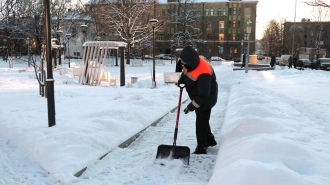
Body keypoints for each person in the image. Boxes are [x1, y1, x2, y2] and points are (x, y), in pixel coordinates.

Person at [177, 46, 218, 154]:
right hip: (198, 96)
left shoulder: (203, 72)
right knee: (202, 119)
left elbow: (203, 95)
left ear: (191, 61)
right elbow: (185, 71)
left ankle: (201, 147)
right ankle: (209, 140)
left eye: (184, 62)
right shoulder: (191, 63)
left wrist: (191, 106)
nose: (183, 64)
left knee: (201, 122)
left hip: (206, 99)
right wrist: (181, 79)